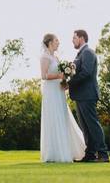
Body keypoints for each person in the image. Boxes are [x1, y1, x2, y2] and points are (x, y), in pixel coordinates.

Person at [39, 33, 86, 163]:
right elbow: (44, 76)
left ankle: (67, 150)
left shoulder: (56, 58)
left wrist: (65, 82)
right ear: (49, 42)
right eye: (56, 40)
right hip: (51, 92)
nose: (58, 42)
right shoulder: (45, 57)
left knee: (62, 116)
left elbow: (61, 75)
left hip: (59, 91)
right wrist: (59, 76)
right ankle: (54, 153)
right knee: (53, 118)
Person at [67, 29, 110, 163]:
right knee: (85, 127)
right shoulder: (80, 54)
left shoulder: (88, 52)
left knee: (93, 125)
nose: (72, 40)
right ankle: (90, 154)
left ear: (81, 38)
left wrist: (69, 83)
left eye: (74, 37)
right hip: (81, 95)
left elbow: (86, 73)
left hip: (88, 94)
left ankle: (103, 154)